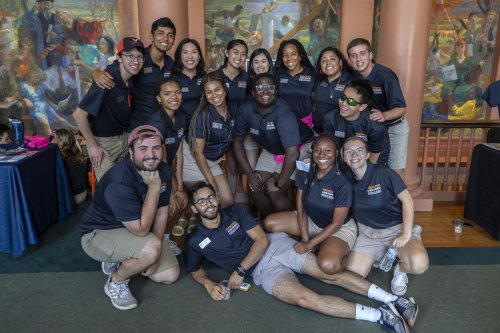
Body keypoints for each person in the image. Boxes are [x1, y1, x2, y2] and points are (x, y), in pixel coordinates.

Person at [186, 181, 417, 333]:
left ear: (217, 197)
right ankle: (381, 317)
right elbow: (194, 269)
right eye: (201, 201)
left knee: (328, 275)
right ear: (194, 208)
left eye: (210, 198)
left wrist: (239, 270)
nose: (208, 204)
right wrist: (208, 284)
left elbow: (262, 240)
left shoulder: (234, 212)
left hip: (275, 247)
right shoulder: (195, 241)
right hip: (262, 272)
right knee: (305, 299)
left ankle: (395, 301)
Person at [79, 125, 180, 310]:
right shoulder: (119, 181)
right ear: (131, 152)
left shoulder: (163, 169)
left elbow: (162, 211)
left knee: (169, 275)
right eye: (143, 149)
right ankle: (116, 281)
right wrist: (154, 187)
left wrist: (155, 256)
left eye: (156, 148)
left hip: (131, 228)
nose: (151, 155)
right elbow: (141, 230)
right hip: (99, 233)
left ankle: (126, 256)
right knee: (150, 249)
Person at [342, 136, 429, 296]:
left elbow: (408, 201)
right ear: (344, 156)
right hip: (368, 234)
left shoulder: (384, 173)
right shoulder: (345, 178)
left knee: (419, 264)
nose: (354, 155)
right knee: (352, 275)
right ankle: (382, 254)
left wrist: (406, 233)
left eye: (359, 150)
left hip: (396, 229)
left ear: (367, 154)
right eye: (349, 152)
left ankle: (400, 270)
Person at [264, 135, 357, 274]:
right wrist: (306, 239)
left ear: (336, 153)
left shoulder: (342, 183)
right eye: (317, 150)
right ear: (312, 152)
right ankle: (321, 244)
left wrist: (309, 245)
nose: (322, 155)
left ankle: (341, 251)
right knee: (269, 223)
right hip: (312, 221)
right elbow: (301, 208)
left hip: (338, 229)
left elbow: (337, 224)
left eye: (327, 151)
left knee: (328, 265)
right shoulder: (305, 173)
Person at [234, 73, 314, 218]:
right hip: (273, 149)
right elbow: (237, 142)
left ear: (275, 90)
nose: (265, 91)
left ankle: (288, 227)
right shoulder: (245, 110)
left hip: (300, 147)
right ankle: (270, 223)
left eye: (270, 87)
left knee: (275, 194)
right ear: (252, 91)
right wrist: (250, 174)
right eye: (260, 87)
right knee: (254, 188)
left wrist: (278, 183)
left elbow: (293, 153)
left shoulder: (283, 112)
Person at [73, 37, 146, 181]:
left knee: (130, 182)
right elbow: (78, 115)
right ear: (119, 58)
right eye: (130, 56)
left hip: (123, 138)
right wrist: (93, 146)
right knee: (109, 189)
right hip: (103, 143)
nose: (135, 61)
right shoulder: (106, 80)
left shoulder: (130, 78)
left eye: (139, 57)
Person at [93, 17, 177, 131]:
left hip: (162, 125)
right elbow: (114, 68)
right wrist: (96, 73)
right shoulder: (138, 57)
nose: (165, 38)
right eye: (160, 33)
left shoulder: (170, 63)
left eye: (170, 35)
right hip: (139, 125)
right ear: (151, 37)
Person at [347, 38, 407, 179]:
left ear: (370, 55)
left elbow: (402, 108)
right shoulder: (352, 77)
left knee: (395, 172)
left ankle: (403, 202)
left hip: (393, 128)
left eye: (362, 53)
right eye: (353, 55)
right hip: (370, 129)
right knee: (370, 169)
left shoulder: (385, 76)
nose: (358, 59)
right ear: (349, 59)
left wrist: (384, 115)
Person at [146, 78, 188, 252]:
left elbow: (178, 153)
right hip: (151, 172)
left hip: (166, 168)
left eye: (178, 92)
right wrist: (171, 192)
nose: (174, 97)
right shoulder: (157, 122)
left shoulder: (180, 117)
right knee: (171, 204)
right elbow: (160, 163)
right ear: (159, 98)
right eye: (168, 93)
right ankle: (152, 245)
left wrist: (179, 187)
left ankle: (165, 238)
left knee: (183, 200)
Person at [183, 73, 236, 208]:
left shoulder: (233, 110)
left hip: (211, 160)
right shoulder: (202, 115)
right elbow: (197, 153)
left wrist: (224, 166)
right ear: (205, 95)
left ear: (225, 89)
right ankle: (192, 214)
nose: (214, 95)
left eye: (217, 90)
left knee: (227, 200)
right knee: (212, 197)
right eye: (209, 92)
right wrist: (211, 181)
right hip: (193, 158)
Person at [323, 79, 390, 165]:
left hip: (373, 160)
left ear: (362, 106)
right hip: (344, 157)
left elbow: (373, 161)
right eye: (343, 97)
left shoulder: (375, 126)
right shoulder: (329, 119)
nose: (343, 103)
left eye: (351, 101)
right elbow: (332, 148)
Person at [274, 39, 316, 129]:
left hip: (306, 123)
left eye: (293, 54)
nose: (289, 58)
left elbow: (316, 103)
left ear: (300, 56)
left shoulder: (312, 74)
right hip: (283, 122)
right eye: (285, 55)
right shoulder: (278, 75)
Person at [313, 46, 356, 133]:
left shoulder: (351, 82)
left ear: (340, 62)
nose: (328, 63)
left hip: (342, 134)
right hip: (318, 132)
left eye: (332, 59)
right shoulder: (318, 81)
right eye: (324, 60)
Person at [170, 38, 207, 127]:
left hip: (202, 128)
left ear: (199, 56)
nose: (190, 56)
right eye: (185, 52)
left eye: (194, 52)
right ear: (179, 56)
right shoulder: (172, 78)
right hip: (180, 130)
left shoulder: (205, 77)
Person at [52, 128, 88, 204]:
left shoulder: (61, 159)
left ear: (64, 141)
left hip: (71, 198)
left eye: (56, 139)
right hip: (83, 193)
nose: (52, 141)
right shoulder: (77, 154)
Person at [211, 39, 249, 107]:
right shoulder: (214, 77)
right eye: (236, 52)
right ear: (226, 53)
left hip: (241, 117)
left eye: (243, 54)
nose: (239, 57)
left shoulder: (247, 77)